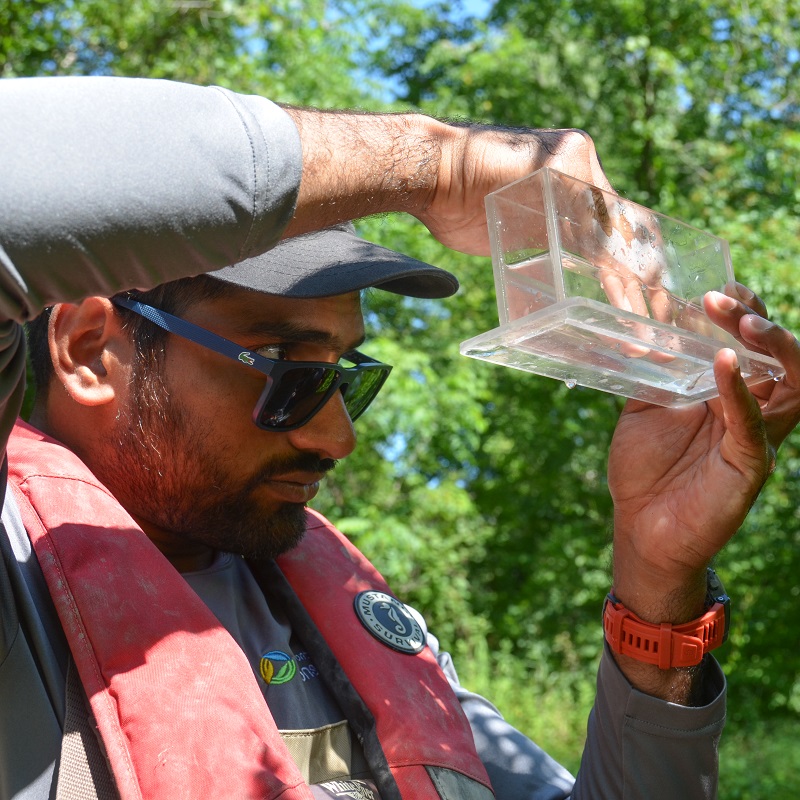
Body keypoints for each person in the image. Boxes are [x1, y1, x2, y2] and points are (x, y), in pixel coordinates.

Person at [1, 76, 798, 800]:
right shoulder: (15, 573)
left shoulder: (353, 619)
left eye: (345, 375)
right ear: (86, 351)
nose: (337, 436)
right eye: (285, 367)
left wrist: (658, 578)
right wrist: (436, 163)